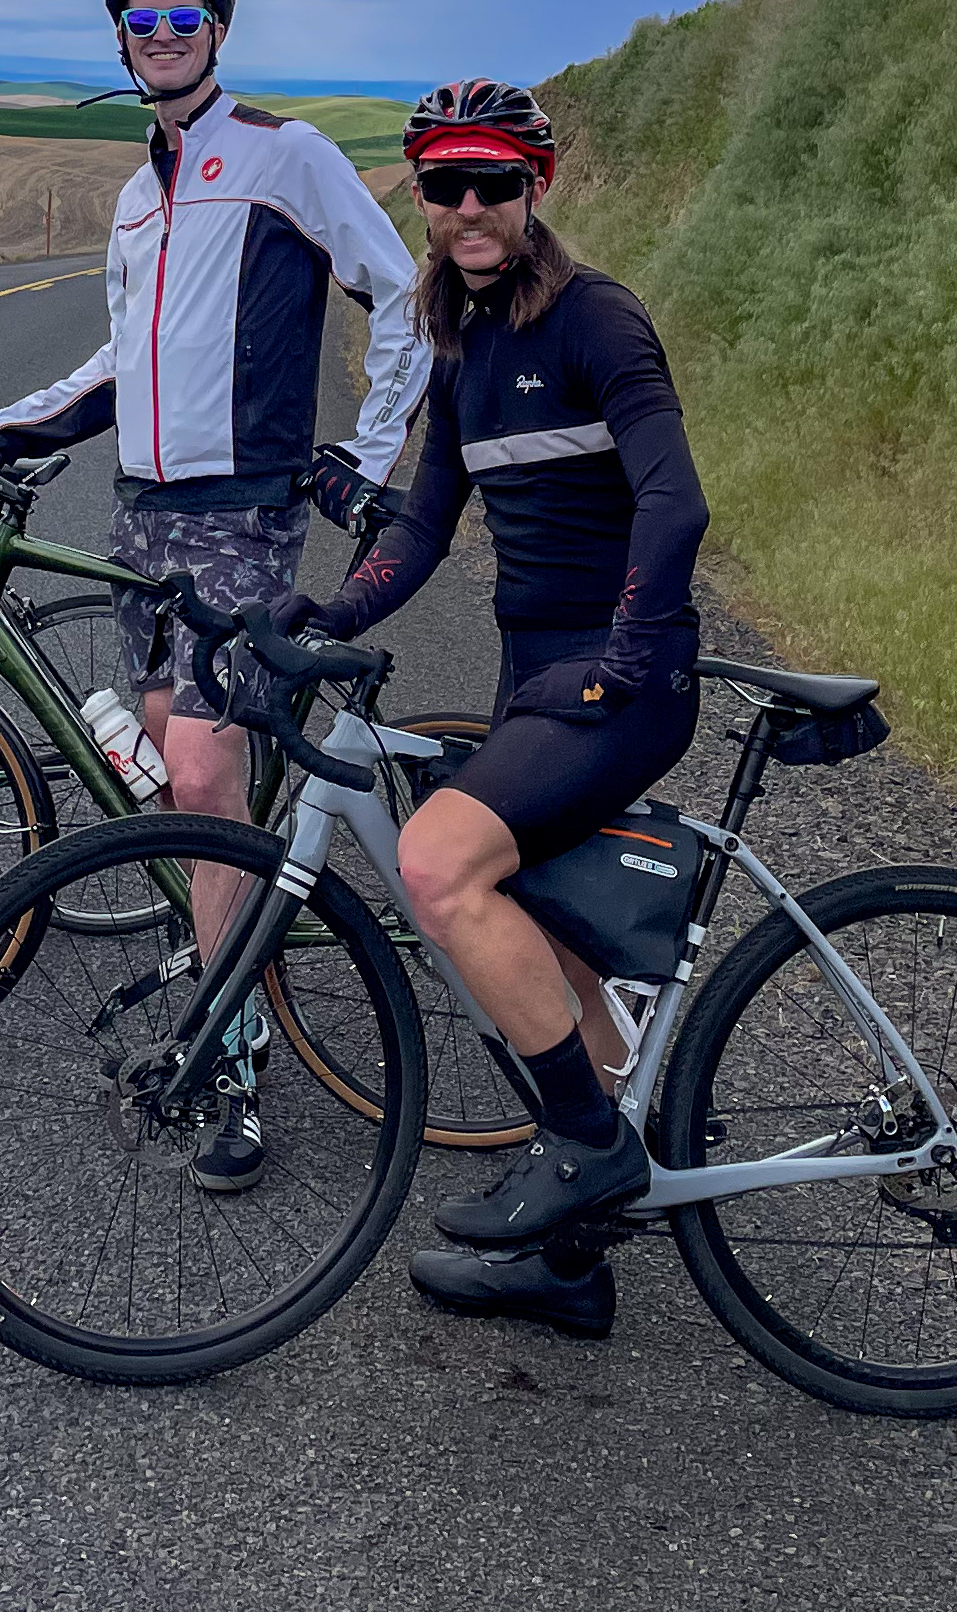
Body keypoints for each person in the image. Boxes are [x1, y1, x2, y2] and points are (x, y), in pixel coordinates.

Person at [0, 0, 428, 1193]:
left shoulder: (283, 155)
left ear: (218, 32)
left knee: (196, 772)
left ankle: (230, 1057)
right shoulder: (134, 194)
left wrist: (367, 454)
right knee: (188, 781)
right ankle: (239, 952)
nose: (162, 36)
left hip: (242, 514)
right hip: (145, 519)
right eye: (142, 20)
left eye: (184, 17)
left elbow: (398, 292)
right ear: (117, 39)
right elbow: (126, 362)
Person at [295, 77, 707, 1339]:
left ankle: (588, 1149)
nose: (470, 207)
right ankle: (574, 1267)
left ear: (539, 189)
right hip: (538, 677)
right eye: (444, 186)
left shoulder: (598, 321)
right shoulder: (461, 336)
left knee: (438, 862)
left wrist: (625, 656)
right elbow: (426, 523)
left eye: (495, 184)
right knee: (554, 940)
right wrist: (330, 619)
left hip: (619, 681)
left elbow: (673, 502)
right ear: (419, 197)